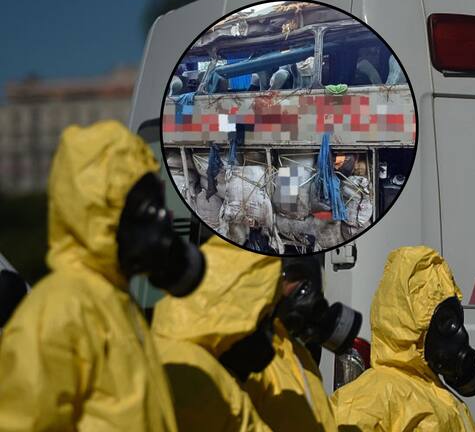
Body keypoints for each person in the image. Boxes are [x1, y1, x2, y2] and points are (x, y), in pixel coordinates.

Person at [0, 120, 206, 431]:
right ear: (100, 213)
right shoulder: (59, 309)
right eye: (147, 209)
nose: (162, 220)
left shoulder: (116, 304)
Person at [332, 246, 475, 432]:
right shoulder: (370, 400)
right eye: (446, 322)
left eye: (455, 321)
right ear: (410, 325)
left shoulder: (440, 396)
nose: (460, 334)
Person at [151, 236, 277, 432]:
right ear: (232, 315)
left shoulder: (173, 354)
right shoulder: (197, 376)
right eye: (263, 319)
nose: (270, 333)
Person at [244, 255, 358, 432]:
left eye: (313, 286)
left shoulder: (300, 356)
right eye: (302, 286)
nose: (309, 296)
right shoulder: (251, 354)